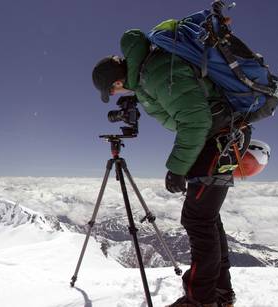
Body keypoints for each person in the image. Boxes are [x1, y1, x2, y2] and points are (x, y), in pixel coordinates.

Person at [92, 29, 251, 307]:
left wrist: (177, 168)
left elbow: (195, 120)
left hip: (215, 139)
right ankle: (220, 294)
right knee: (207, 219)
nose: (117, 93)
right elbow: (185, 110)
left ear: (117, 81)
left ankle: (201, 300)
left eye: (113, 89)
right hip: (220, 138)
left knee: (198, 220)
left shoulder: (156, 73)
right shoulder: (148, 74)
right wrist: (141, 97)